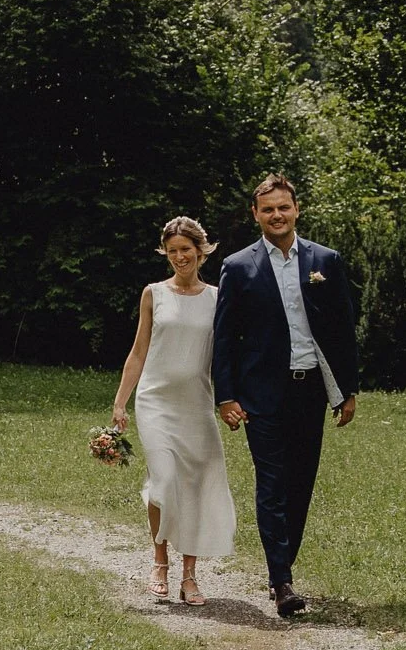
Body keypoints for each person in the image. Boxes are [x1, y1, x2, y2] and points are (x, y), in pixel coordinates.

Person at [210, 175, 359, 617]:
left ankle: (282, 564)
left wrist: (347, 390)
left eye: (284, 207)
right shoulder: (238, 267)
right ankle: (282, 582)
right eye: (268, 209)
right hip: (261, 396)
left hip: (310, 390)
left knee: (300, 484)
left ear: (296, 210)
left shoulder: (325, 261)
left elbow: (341, 328)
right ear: (255, 214)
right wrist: (227, 396)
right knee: (272, 484)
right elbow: (224, 338)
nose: (277, 215)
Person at [111, 216, 236, 606]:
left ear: (201, 251)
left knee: (195, 487)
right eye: (172, 251)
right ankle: (160, 561)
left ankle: (190, 575)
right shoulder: (153, 293)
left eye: (186, 250)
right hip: (155, 401)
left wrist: (232, 399)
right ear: (165, 253)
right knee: (164, 483)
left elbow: (229, 356)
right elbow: (138, 350)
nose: (179, 257)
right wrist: (120, 401)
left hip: (196, 404)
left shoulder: (217, 297)